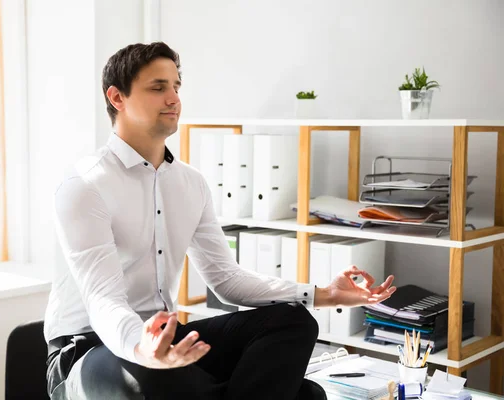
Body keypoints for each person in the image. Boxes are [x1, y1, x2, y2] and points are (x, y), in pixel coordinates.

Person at [44, 41, 397, 400]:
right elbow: (104, 301)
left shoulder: (190, 183)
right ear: (117, 98)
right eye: (158, 88)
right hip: (89, 348)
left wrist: (325, 294)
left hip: (165, 334)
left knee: (294, 321)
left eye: (176, 87)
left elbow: (226, 280)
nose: (173, 99)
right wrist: (142, 349)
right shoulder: (84, 186)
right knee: (303, 395)